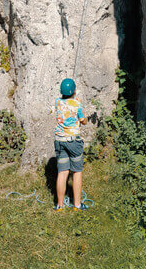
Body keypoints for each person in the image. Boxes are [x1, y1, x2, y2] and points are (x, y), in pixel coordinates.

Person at [54, 78, 88, 211]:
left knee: (62, 172)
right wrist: (80, 107)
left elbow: (64, 102)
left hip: (59, 140)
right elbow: (83, 121)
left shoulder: (57, 102)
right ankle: (77, 205)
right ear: (74, 91)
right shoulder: (77, 104)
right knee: (77, 172)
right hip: (73, 141)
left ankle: (60, 206)